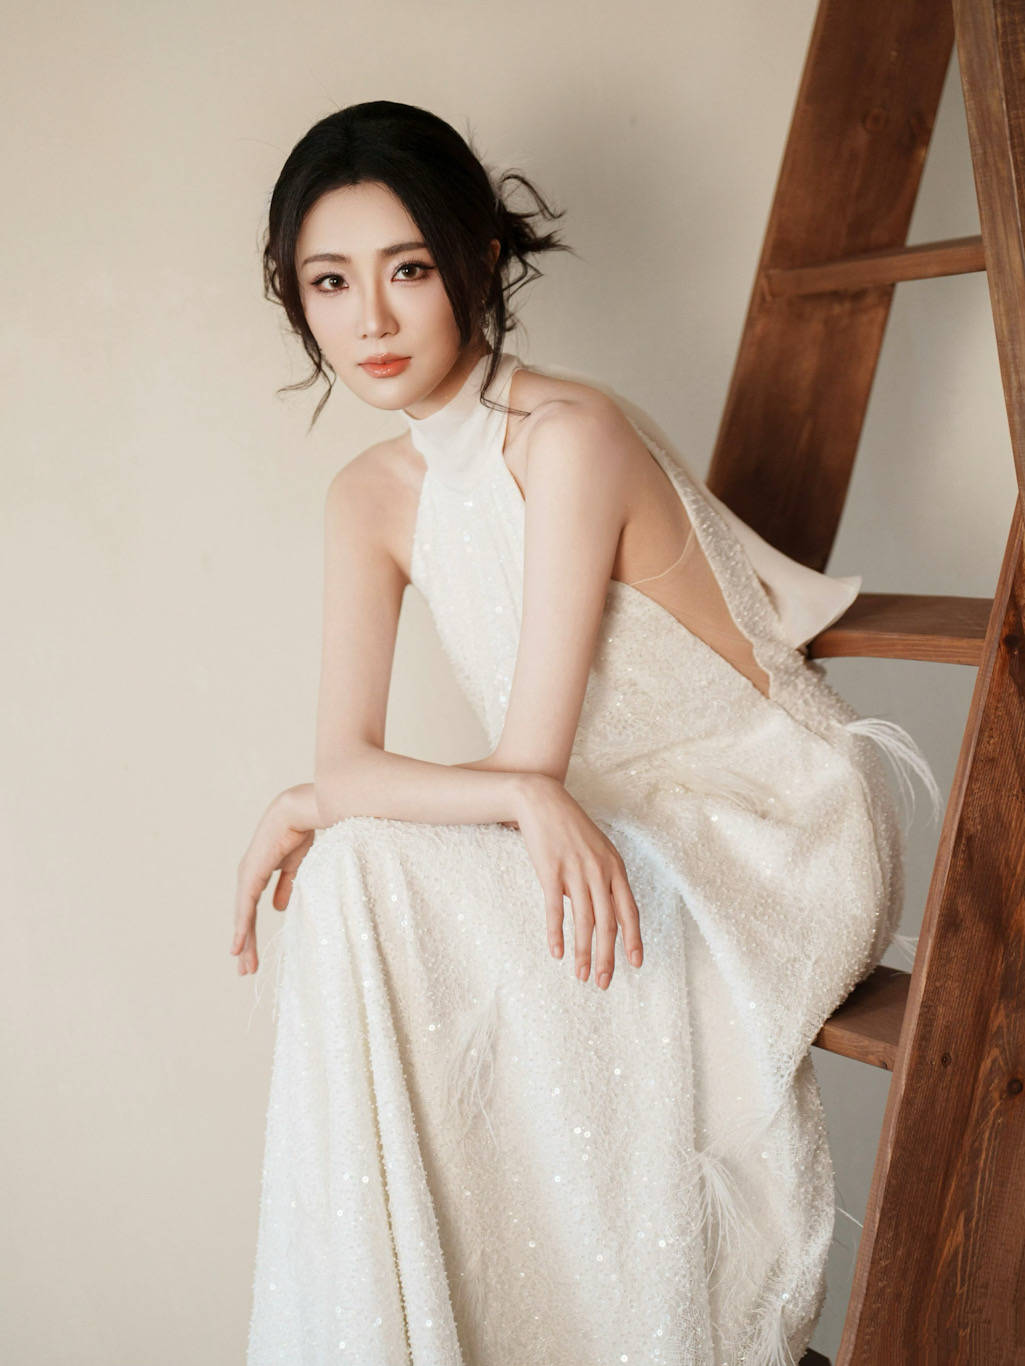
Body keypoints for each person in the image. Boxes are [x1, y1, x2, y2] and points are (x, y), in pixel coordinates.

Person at [233, 100, 940, 1366]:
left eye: (407, 269)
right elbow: (360, 764)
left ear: (473, 259)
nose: (371, 320)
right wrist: (333, 796)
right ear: (298, 298)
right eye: (329, 282)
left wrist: (337, 800)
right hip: (601, 809)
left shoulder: (570, 438)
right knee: (349, 873)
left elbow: (522, 766)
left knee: (357, 863)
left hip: (767, 818)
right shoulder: (369, 496)